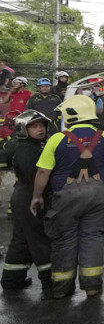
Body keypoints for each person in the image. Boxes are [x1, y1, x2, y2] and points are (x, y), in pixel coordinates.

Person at [31, 94, 104, 299]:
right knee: (93, 239)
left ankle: (62, 288)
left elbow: (43, 172)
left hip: (65, 198)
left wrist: (37, 196)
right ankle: (92, 287)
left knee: (64, 240)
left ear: (70, 115)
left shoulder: (57, 139)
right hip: (99, 196)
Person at [0, 110, 52, 292]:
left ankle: (12, 280)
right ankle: (50, 282)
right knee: (40, 239)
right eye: (34, 126)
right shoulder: (27, 150)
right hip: (30, 197)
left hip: (23, 197)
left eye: (42, 125)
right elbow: (36, 177)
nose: (40, 129)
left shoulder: (31, 146)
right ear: (23, 128)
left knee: (22, 241)